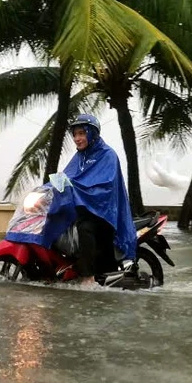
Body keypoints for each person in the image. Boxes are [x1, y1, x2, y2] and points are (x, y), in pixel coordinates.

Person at [62, 114, 137, 282]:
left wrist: (77, 189)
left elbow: (105, 186)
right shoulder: (80, 157)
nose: (77, 138)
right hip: (84, 209)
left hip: (104, 213)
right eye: (75, 134)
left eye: (81, 133)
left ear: (92, 133)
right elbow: (67, 177)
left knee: (85, 227)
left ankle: (87, 276)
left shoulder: (107, 155)